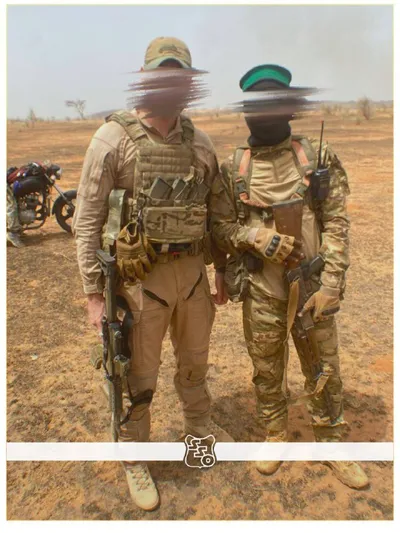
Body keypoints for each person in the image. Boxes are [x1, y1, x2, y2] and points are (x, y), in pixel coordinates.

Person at [72, 36, 232, 512]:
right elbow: (87, 220)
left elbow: (216, 213)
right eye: (162, 74)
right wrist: (93, 294)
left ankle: (197, 435)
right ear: (145, 79)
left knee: (194, 366)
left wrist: (221, 269)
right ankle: (134, 458)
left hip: (193, 278)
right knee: (137, 377)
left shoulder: (201, 143)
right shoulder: (112, 139)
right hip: (140, 285)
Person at [210, 64, 369, 489]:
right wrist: (255, 237)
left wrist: (332, 283)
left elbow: (336, 223)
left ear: (289, 108)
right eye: (256, 105)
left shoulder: (315, 157)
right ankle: (275, 434)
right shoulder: (234, 167)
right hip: (261, 290)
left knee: (323, 367)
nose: (265, 113)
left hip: (313, 288)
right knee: (266, 368)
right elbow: (220, 228)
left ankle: (330, 442)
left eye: (274, 103)